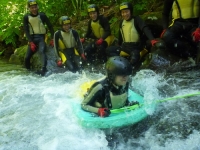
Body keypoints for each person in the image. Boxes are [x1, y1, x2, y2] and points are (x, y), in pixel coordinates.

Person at [107, 2, 160, 67]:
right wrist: (118, 44)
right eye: (123, 12)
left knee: (134, 57)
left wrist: (152, 39)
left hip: (136, 47)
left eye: (126, 12)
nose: (125, 14)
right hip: (125, 46)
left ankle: (129, 70)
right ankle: (118, 66)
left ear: (131, 11)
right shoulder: (121, 22)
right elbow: (121, 34)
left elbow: (145, 28)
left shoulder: (137, 19)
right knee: (108, 50)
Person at [23, 0, 54, 76]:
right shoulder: (26, 17)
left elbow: (50, 26)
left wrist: (53, 38)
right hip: (32, 38)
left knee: (41, 51)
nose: (34, 9)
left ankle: (43, 69)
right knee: (27, 57)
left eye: (35, 7)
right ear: (29, 8)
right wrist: (31, 42)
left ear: (37, 7)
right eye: (32, 8)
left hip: (41, 37)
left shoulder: (42, 15)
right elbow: (26, 30)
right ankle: (28, 71)